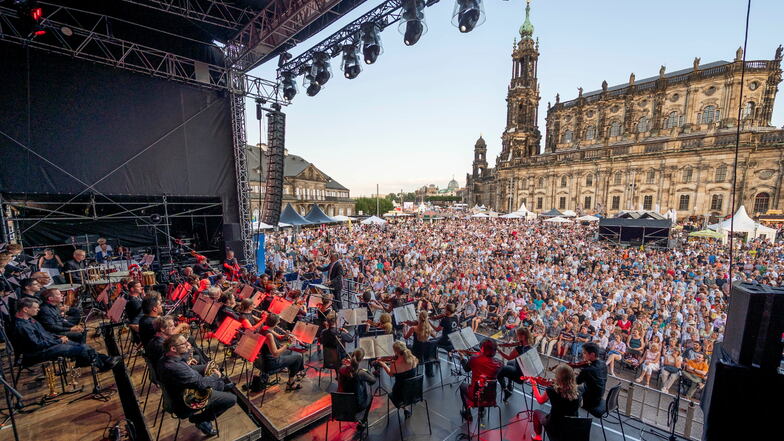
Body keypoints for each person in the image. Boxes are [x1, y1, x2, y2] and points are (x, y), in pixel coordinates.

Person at [157, 333, 237, 437]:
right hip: (186, 401)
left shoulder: (165, 358)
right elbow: (201, 384)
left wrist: (188, 357)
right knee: (231, 399)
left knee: (207, 368)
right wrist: (215, 376)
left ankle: (220, 386)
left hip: (180, 389)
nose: (188, 344)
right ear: (173, 348)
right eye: (184, 344)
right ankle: (200, 419)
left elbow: (183, 366)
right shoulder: (175, 367)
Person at [13, 297, 119, 371]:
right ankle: (103, 365)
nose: (38, 310)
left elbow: (44, 334)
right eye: (35, 308)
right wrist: (58, 340)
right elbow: (37, 344)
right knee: (81, 349)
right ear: (25, 309)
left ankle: (105, 359)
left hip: (48, 344)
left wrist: (58, 337)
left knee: (82, 345)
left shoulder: (29, 319)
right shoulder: (22, 326)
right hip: (37, 353)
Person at [249, 314, 305, 392]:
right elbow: (275, 353)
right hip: (271, 362)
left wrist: (286, 335)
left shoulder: (264, 328)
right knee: (298, 356)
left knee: (292, 353)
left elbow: (279, 337)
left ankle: (297, 372)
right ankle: (291, 383)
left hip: (262, 358)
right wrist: (288, 344)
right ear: (277, 322)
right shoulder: (269, 335)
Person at [528, 364, 581, 441]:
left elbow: (540, 400)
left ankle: (538, 437)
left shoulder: (552, 391)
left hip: (555, 425)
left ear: (558, 378)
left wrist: (534, 385)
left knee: (536, 413)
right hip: (571, 426)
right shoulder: (578, 391)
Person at [458, 339, 504, 422]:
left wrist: (462, 358)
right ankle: (481, 411)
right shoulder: (499, 364)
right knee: (484, 385)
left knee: (463, 386)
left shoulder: (474, 360)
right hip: (491, 396)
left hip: (475, 395)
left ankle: (468, 413)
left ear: (482, 349)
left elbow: (466, 369)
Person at [375, 341, 419, 417]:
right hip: (414, 390)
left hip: (399, 392)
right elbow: (402, 359)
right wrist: (387, 358)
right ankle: (407, 407)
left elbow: (390, 374)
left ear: (395, 351)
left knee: (395, 394)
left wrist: (384, 364)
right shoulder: (413, 358)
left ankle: (405, 408)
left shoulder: (394, 364)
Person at [337, 348, 376, 431]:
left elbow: (343, 373)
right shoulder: (361, 373)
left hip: (342, 406)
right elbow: (373, 381)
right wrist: (368, 371)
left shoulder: (342, 369)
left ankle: (362, 421)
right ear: (361, 359)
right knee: (370, 396)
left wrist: (344, 365)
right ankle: (363, 421)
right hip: (357, 407)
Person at [497, 327, 533, 402]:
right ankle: (509, 385)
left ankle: (506, 391)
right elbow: (512, 344)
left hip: (520, 375)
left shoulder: (520, 348)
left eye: (517, 335)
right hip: (525, 371)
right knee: (510, 363)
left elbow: (508, 357)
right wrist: (501, 345)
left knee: (500, 372)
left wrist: (499, 350)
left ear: (522, 336)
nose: (516, 337)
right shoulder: (528, 345)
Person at [575, 342, 607, 415]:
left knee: (570, 389)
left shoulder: (588, 369)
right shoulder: (602, 364)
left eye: (584, 353)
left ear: (592, 354)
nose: (583, 355)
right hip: (599, 395)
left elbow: (576, 381)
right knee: (580, 387)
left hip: (590, 401)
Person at [403, 310, 437, 376]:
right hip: (427, 353)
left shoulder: (413, 328)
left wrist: (405, 327)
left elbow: (405, 337)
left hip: (416, 351)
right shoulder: (428, 328)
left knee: (406, 348)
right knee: (428, 347)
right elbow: (435, 335)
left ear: (419, 318)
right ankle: (429, 372)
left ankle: (411, 370)